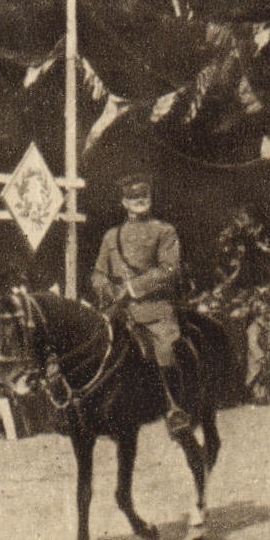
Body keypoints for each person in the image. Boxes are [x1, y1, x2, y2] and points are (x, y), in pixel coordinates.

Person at [90, 174, 190, 437]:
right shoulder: (111, 237)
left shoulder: (164, 231)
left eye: (144, 196)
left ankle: (174, 408)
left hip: (155, 311)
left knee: (165, 350)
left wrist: (133, 288)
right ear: (124, 202)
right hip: (120, 311)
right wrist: (109, 290)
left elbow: (169, 270)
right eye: (134, 198)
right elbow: (99, 274)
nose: (140, 201)